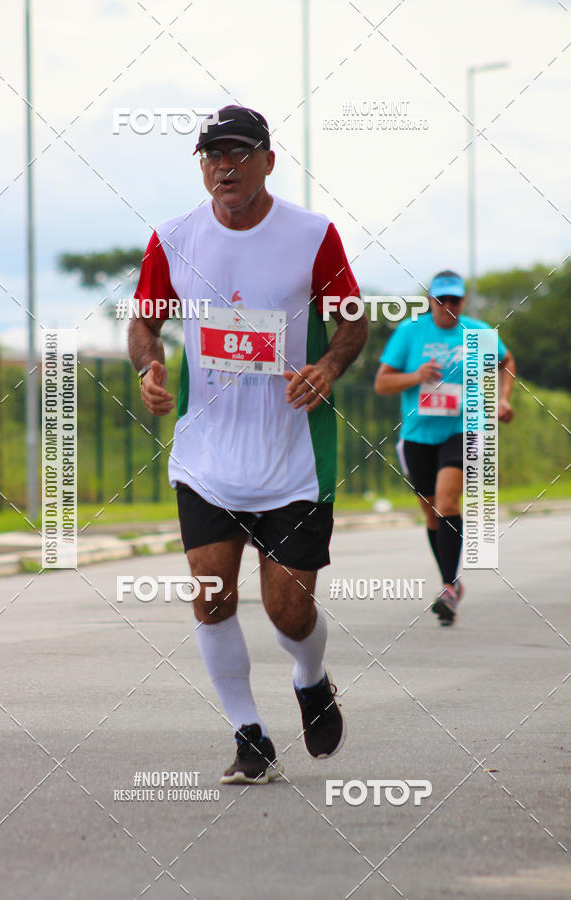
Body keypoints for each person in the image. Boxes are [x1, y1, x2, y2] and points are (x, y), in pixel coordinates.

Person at [128, 105, 368, 783]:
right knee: (212, 597)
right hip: (206, 458)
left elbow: (352, 321)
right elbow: (144, 322)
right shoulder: (173, 237)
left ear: (267, 159)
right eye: (211, 156)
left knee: (289, 612)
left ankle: (311, 676)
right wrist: (148, 365)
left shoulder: (311, 235)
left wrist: (327, 368)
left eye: (237, 154)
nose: (223, 167)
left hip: (291, 458)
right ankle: (249, 734)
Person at [374, 270, 515, 625]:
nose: (448, 307)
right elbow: (382, 384)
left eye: (455, 300)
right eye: (441, 300)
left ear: (463, 301)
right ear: (430, 302)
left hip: (463, 428)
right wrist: (415, 376)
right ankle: (450, 582)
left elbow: (506, 361)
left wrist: (501, 398)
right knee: (432, 511)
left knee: (447, 500)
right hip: (419, 435)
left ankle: (448, 589)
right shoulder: (409, 332)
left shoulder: (479, 332)